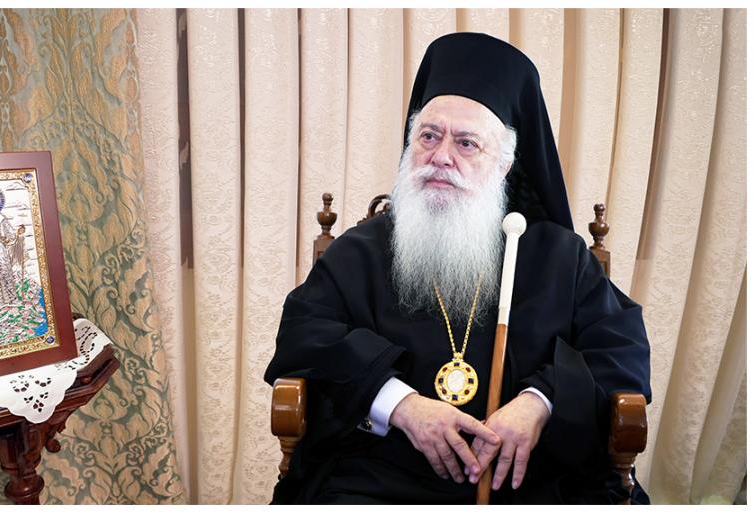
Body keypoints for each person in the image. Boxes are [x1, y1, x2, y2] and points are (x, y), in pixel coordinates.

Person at [263, 33, 651, 504]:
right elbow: (304, 335)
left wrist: (539, 403)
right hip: (382, 478)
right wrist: (400, 404)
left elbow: (620, 350)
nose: (441, 157)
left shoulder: (558, 257)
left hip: (530, 483)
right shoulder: (360, 251)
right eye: (429, 136)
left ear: (504, 165)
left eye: (467, 143)